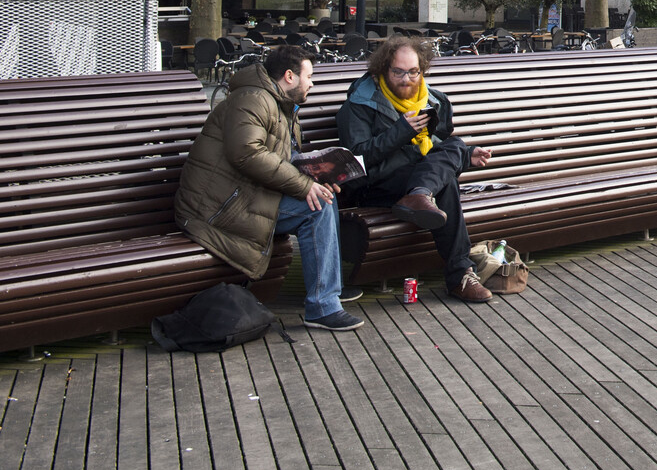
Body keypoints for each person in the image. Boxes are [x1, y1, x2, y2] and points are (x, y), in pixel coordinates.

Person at [174, 45, 363, 331]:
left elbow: (281, 158)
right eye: (308, 76)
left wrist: (318, 176)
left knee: (321, 196)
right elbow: (247, 153)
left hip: (245, 194)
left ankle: (328, 287)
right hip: (219, 207)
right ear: (289, 76)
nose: (312, 83)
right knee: (316, 205)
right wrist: (303, 185)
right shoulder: (253, 99)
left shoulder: (279, 104)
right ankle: (322, 305)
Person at [335, 36, 494, 302]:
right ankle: (460, 275)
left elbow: (437, 143)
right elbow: (356, 158)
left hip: (413, 176)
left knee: (455, 145)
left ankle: (420, 194)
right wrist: (401, 132)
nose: (406, 79)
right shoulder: (359, 105)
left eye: (413, 72)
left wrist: (467, 154)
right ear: (383, 69)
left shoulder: (429, 100)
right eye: (398, 72)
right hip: (373, 185)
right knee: (446, 184)